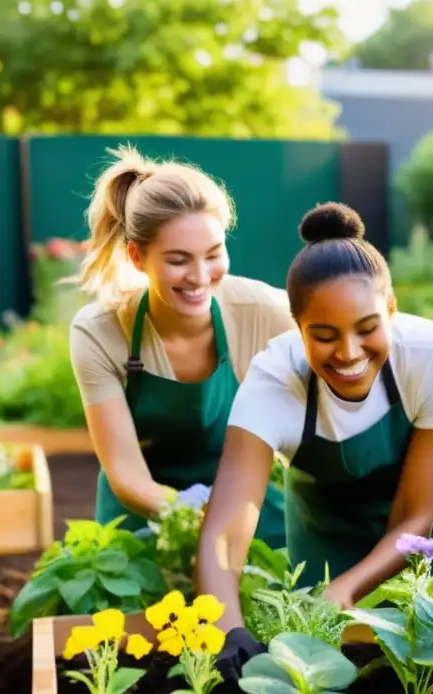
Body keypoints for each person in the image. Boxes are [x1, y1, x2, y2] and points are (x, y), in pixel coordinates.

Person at [199, 202, 433, 678]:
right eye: (323, 335)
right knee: (324, 670)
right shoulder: (274, 383)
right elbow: (226, 531)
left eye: (367, 328)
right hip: (327, 520)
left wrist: (345, 590)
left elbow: (413, 516)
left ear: (391, 311)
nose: (349, 352)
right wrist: (228, 630)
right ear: (296, 327)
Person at [69, 146, 296, 547]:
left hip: (248, 505)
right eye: (178, 260)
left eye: (213, 254)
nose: (199, 276)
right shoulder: (101, 332)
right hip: (140, 511)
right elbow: (125, 472)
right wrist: (195, 514)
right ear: (137, 257)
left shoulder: (264, 312)